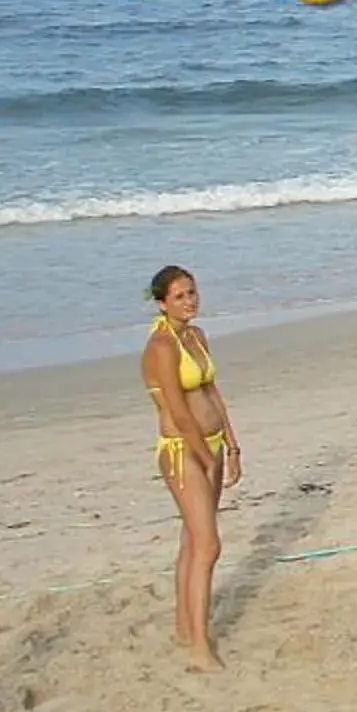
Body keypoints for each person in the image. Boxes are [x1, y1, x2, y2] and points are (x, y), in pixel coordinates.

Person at [141, 266, 241, 669]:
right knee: (208, 544)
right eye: (180, 296)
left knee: (193, 539)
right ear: (162, 302)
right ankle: (200, 647)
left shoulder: (196, 336)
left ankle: (185, 627)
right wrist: (203, 456)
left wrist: (231, 445)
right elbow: (180, 413)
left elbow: (211, 392)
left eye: (192, 293)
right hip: (184, 450)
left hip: (212, 445)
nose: (190, 301)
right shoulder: (162, 347)